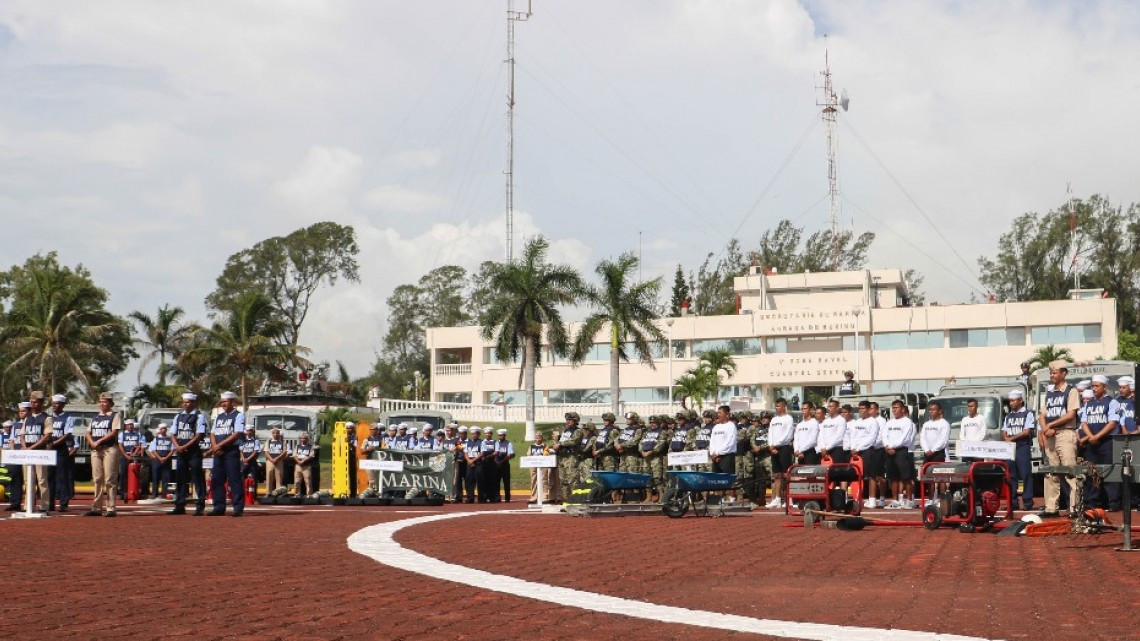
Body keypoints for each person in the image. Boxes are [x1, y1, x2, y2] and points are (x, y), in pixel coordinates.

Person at [1039, 360, 1081, 519]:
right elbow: (1042, 415)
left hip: (1065, 434)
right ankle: (1051, 508)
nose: (1052, 375)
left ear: (1064, 373)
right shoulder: (1049, 392)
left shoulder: (1071, 391)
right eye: (1051, 372)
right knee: (1051, 473)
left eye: (1055, 372)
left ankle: (1075, 509)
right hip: (1050, 435)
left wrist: (1051, 425)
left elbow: (1071, 415)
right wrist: (1045, 428)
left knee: (1071, 471)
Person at [1079, 374, 1121, 511]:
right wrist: (1091, 437)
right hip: (1092, 443)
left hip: (1107, 442)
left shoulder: (1112, 402)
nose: (1094, 388)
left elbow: (1112, 423)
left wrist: (1097, 436)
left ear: (1105, 387)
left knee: (1110, 472)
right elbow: (1084, 422)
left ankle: (1113, 502)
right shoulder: (1088, 404)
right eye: (1092, 386)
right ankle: (1092, 503)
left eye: (1097, 386)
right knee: (1092, 473)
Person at [208, 391, 245, 516]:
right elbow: (213, 433)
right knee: (217, 480)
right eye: (222, 401)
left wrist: (220, 445)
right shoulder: (219, 417)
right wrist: (214, 446)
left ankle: (238, 508)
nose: (223, 403)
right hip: (218, 452)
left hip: (231, 451)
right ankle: (218, 507)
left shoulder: (239, 416)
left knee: (234, 480)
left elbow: (237, 433)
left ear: (233, 403)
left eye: (226, 401)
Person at [84, 391, 119, 517]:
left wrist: (98, 441)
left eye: (105, 401)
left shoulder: (114, 416)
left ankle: (111, 508)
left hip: (109, 449)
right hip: (96, 450)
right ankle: (96, 507)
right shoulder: (95, 418)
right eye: (100, 401)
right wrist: (92, 442)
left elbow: (114, 432)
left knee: (110, 479)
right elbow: (87, 432)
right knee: (97, 479)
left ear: (111, 403)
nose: (102, 404)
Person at [1001, 390, 1036, 510]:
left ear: (1020, 401)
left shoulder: (1028, 414)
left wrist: (1011, 439)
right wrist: (1006, 438)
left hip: (1022, 447)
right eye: (1010, 400)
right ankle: (1012, 502)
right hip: (1010, 449)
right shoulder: (1008, 416)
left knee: (1025, 474)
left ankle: (1027, 502)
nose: (1011, 403)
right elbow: (1004, 430)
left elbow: (1027, 432)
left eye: (1014, 400)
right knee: (1011, 476)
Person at [21, 391, 55, 514]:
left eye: (36, 401)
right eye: (31, 401)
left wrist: (32, 447)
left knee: (42, 479)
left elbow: (47, 436)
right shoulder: (27, 418)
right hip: (28, 452)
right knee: (27, 480)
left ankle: (44, 506)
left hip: (40, 452)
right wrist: (25, 447)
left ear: (41, 403)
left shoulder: (47, 418)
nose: (33, 403)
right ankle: (28, 505)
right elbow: (22, 435)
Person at [883, 399, 917, 509]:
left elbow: (905, 438)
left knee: (906, 477)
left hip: (901, 451)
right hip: (890, 452)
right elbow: (884, 435)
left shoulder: (907, 422)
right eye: (893, 408)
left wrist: (893, 447)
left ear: (902, 409)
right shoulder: (889, 422)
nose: (894, 410)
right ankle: (895, 501)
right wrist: (887, 446)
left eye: (896, 408)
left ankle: (909, 501)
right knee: (893, 477)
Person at [849, 401, 881, 507]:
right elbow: (853, 436)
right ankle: (858, 498)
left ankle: (872, 499)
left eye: (863, 408)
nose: (861, 411)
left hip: (867, 450)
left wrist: (858, 448)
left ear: (868, 410)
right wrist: (853, 448)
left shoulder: (873, 422)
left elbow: (871, 439)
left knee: (871, 475)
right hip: (856, 452)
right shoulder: (857, 422)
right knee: (857, 475)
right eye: (860, 408)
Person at [919, 401, 951, 505]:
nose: (931, 412)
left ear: (939, 411)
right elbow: (922, 437)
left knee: (940, 477)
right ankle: (931, 498)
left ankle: (941, 499)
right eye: (930, 410)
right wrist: (926, 449)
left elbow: (943, 440)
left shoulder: (944, 424)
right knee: (929, 477)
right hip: (927, 453)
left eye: (933, 409)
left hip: (939, 453)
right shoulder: (926, 424)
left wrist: (933, 450)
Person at [766, 398, 796, 509]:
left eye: (779, 406)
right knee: (777, 474)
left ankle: (790, 498)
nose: (777, 408)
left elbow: (788, 435)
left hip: (784, 448)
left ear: (784, 406)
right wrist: (771, 445)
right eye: (776, 406)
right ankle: (777, 499)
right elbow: (770, 433)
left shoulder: (789, 419)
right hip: (773, 448)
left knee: (786, 474)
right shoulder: (774, 420)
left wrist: (776, 444)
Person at [48, 394, 75, 512]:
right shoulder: (49, 418)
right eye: (53, 403)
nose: (54, 405)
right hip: (49, 450)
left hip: (60, 450)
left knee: (61, 477)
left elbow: (67, 435)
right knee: (49, 477)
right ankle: (50, 503)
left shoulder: (68, 418)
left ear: (63, 405)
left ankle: (63, 504)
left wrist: (54, 443)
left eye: (57, 403)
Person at [708, 405, 738, 501]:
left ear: (727, 414)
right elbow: (711, 441)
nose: (718, 415)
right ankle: (720, 498)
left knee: (729, 477)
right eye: (718, 413)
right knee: (717, 479)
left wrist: (718, 453)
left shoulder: (731, 426)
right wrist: (713, 453)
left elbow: (730, 442)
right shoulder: (716, 427)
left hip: (727, 455)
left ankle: (731, 497)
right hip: (715, 456)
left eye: (720, 413)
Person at [552, 412, 583, 502]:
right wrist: (555, 442)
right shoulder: (565, 431)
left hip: (571, 458)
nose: (568, 421)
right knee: (563, 481)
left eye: (570, 420)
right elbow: (560, 441)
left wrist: (559, 444)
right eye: (567, 420)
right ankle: (566, 500)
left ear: (576, 421)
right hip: (562, 457)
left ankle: (575, 500)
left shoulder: (578, 431)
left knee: (572, 480)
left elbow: (573, 441)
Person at [1117, 376, 1138, 508]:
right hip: (1127, 440)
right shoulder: (1126, 404)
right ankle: (1130, 501)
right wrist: (1125, 430)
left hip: (1136, 437)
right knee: (1127, 470)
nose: (1133, 394)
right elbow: (1121, 420)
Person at [638, 416, 668, 502]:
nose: (652, 424)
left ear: (658, 423)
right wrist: (642, 451)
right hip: (645, 457)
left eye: (654, 422)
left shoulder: (662, 432)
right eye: (651, 423)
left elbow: (660, 444)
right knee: (647, 477)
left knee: (657, 477)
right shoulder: (646, 433)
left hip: (656, 457)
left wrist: (650, 452)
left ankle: (661, 496)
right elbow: (640, 443)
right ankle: (648, 497)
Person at [116, 418, 146, 501]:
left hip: (135, 457)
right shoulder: (121, 434)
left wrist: (134, 454)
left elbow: (140, 445)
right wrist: (126, 455)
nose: (130, 426)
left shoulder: (138, 434)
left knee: (137, 475)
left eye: (131, 424)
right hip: (125, 456)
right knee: (123, 475)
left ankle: (137, 492)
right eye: (128, 425)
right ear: (125, 426)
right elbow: (120, 446)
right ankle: (123, 493)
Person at [868, 402, 888, 508]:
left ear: (877, 410)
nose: (870, 411)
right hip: (870, 450)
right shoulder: (868, 421)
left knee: (879, 475)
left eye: (871, 409)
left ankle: (882, 498)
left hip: (879, 449)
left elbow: (882, 436)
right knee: (871, 474)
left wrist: (872, 444)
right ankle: (871, 499)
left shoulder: (882, 421)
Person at [750, 413, 772, 504]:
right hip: (758, 457)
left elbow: (771, 440)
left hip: (768, 456)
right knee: (760, 479)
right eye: (762, 418)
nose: (764, 419)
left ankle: (777, 498)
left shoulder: (772, 428)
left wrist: (761, 447)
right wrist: (754, 447)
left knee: (773, 478)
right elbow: (752, 439)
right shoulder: (757, 429)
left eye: (766, 418)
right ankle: (761, 499)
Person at [147, 423, 174, 498]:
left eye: (165, 428)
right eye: (162, 428)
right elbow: (153, 450)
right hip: (157, 460)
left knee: (166, 477)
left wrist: (166, 458)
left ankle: (164, 493)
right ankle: (154, 494)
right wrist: (160, 458)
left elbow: (172, 450)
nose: (164, 430)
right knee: (155, 477)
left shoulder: (169, 439)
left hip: (167, 460)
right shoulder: (156, 439)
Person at [527, 432, 552, 503]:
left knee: (544, 480)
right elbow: (528, 454)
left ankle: (544, 496)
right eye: (536, 437)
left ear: (542, 438)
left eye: (539, 437)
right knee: (533, 480)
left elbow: (546, 454)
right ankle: (534, 496)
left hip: (543, 465)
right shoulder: (531, 446)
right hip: (533, 465)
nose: (538, 439)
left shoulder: (545, 446)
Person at [238, 426, 261, 495]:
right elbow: (241, 450)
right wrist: (244, 459)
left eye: (250, 431)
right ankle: (242, 494)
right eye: (247, 431)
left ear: (253, 431)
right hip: (243, 461)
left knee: (254, 477)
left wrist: (248, 459)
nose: (249, 432)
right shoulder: (242, 440)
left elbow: (255, 451)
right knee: (242, 477)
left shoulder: (256, 441)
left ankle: (253, 495)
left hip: (252, 460)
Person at [360, 424, 383, 492]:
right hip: (369, 460)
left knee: (378, 478)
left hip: (378, 460)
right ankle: (371, 491)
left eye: (374, 429)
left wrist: (375, 448)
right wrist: (367, 449)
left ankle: (379, 491)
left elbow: (385, 448)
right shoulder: (366, 439)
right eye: (371, 430)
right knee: (371, 479)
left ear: (377, 430)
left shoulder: (381, 439)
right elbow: (362, 451)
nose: (372, 431)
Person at [494, 428, 515, 502]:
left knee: (506, 482)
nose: (500, 437)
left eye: (501, 435)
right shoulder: (496, 443)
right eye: (499, 435)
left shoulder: (508, 443)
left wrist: (501, 461)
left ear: (504, 435)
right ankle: (497, 497)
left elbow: (510, 455)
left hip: (505, 465)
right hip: (496, 465)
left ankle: (507, 498)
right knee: (496, 482)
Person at [463, 427, 483, 503]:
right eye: (472, 434)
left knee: (480, 481)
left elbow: (482, 453)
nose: (473, 435)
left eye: (474, 434)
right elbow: (465, 452)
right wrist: (468, 460)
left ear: (478, 434)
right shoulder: (468, 442)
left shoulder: (481, 442)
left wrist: (473, 461)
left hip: (478, 463)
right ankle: (470, 498)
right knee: (469, 481)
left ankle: (481, 498)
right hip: (469, 463)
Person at [264, 428, 287, 495]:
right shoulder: (269, 441)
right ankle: (268, 493)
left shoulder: (283, 442)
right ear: (272, 434)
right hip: (270, 461)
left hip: (279, 461)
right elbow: (266, 452)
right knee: (269, 477)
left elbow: (284, 452)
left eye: (277, 433)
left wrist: (277, 458)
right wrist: (271, 459)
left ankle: (278, 494)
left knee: (279, 478)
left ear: (279, 434)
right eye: (274, 433)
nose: (276, 435)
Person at [292, 432, 315, 496]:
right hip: (298, 466)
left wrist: (303, 461)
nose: (303, 439)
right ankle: (297, 495)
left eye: (304, 438)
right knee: (297, 481)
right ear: (300, 439)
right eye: (302, 438)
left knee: (308, 482)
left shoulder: (310, 447)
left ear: (307, 439)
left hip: (306, 466)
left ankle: (309, 495)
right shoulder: (297, 446)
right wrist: (298, 461)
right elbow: (294, 455)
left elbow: (311, 456)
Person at [479, 426, 499, 502]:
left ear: (491, 434)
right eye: (486, 433)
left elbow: (496, 452)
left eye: (489, 433)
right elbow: (483, 452)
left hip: (492, 463)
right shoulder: (483, 442)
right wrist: (491, 453)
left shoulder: (495, 442)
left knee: (492, 480)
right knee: (484, 480)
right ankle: (485, 496)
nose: (488, 435)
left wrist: (488, 455)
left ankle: (492, 497)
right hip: (484, 463)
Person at [452, 425, 468, 502]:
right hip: (458, 462)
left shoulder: (469, 441)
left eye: (463, 433)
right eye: (460, 433)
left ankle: (469, 496)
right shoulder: (457, 441)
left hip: (466, 462)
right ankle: (458, 496)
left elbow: (468, 452)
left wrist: (464, 459)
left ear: (466, 434)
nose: (462, 435)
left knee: (467, 479)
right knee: (458, 480)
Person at [345, 421, 358, 497]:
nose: (348, 430)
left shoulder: (355, 437)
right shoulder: (342, 436)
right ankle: (344, 492)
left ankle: (353, 493)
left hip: (352, 457)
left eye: (350, 428)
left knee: (352, 476)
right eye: (347, 428)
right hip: (344, 458)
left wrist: (350, 443)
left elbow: (356, 447)